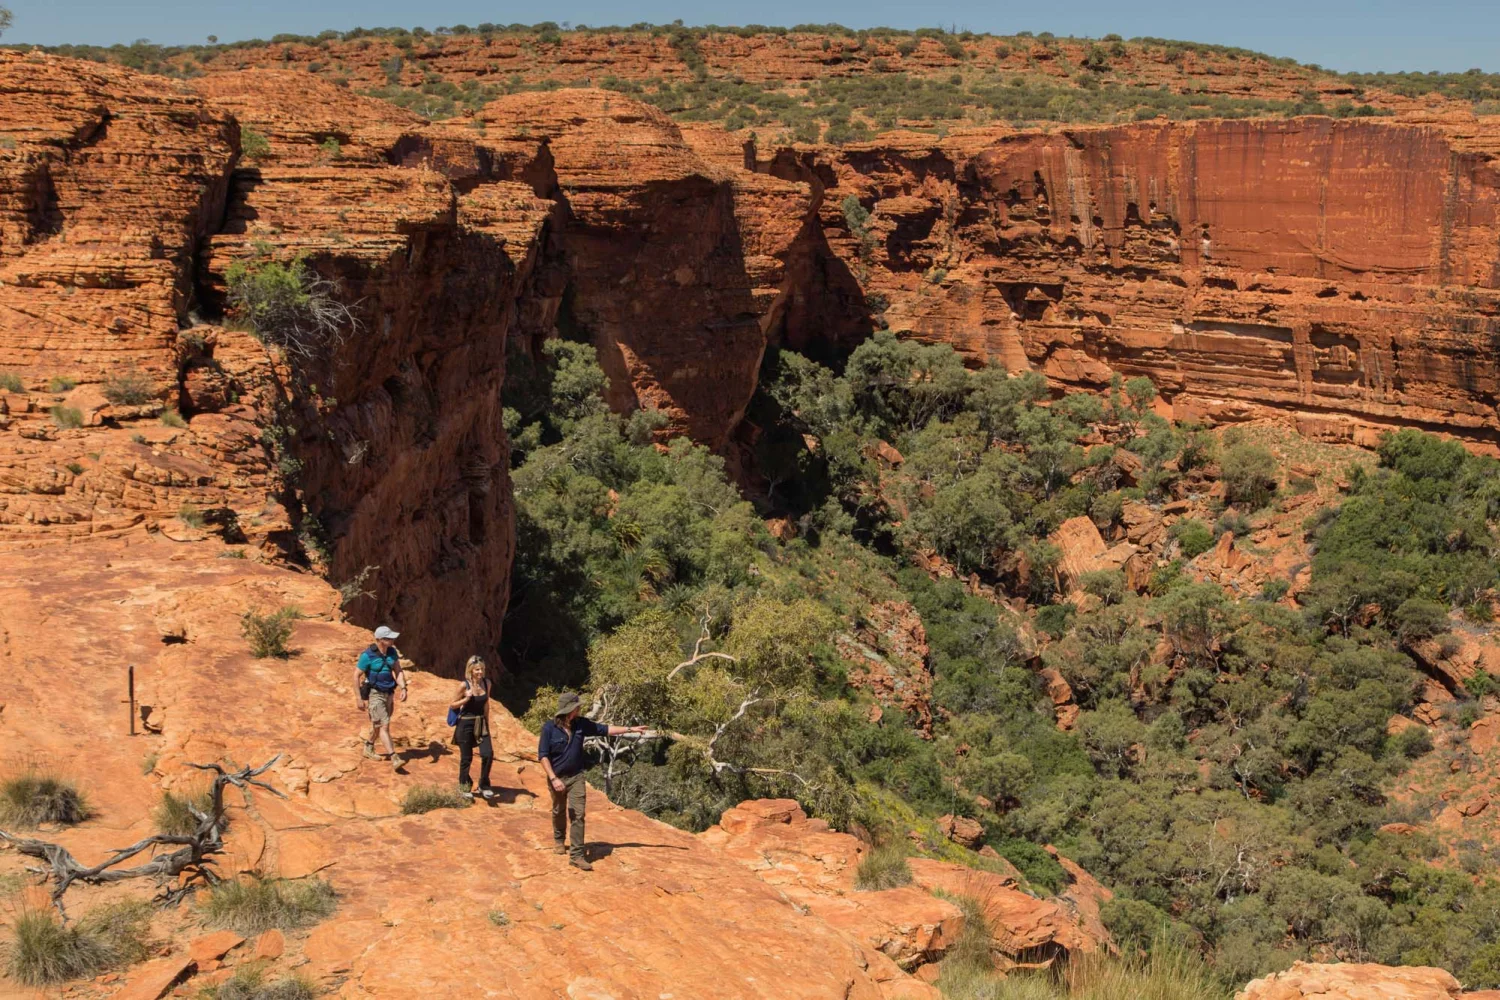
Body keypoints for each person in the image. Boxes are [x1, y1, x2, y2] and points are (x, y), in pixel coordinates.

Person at [538, 691, 647, 870]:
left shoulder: (581, 724)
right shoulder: (549, 728)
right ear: (569, 709)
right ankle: (559, 839)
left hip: (576, 777)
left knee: (578, 814)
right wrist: (553, 778)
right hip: (556, 778)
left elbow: (605, 729)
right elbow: (543, 756)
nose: (579, 709)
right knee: (558, 810)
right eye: (577, 707)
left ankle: (576, 856)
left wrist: (630, 729)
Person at [357, 625, 407, 772]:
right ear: (380, 639)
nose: (392, 640)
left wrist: (403, 688)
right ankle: (394, 757)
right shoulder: (367, 656)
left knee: (378, 725)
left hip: (389, 693)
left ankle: (368, 747)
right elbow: (355, 676)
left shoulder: (392, 652)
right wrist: (359, 698)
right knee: (384, 725)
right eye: (389, 638)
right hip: (375, 694)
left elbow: (398, 670)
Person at [450, 655, 495, 799]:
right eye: (477, 670)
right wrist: (466, 698)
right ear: (470, 670)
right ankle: (464, 786)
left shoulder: (487, 683)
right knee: (466, 758)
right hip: (465, 724)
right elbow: (452, 705)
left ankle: (484, 784)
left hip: (481, 722)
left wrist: (487, 723)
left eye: (482, 669)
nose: (480, 672)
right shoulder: (464, 685)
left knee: (488, 754)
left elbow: (486, 704)